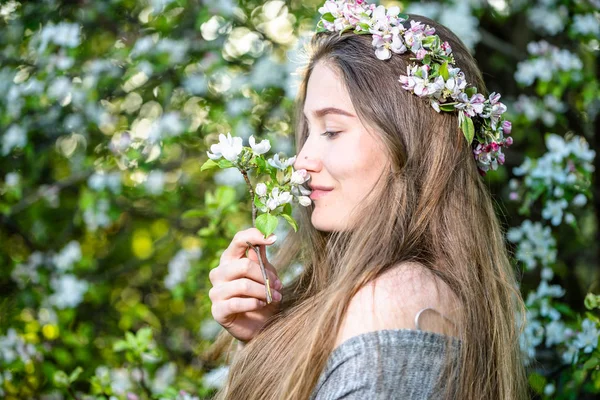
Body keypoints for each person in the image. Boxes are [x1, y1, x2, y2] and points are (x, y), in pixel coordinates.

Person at [205, 2, 528, 399]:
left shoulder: (392, 302)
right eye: (308, 131)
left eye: (333, 130)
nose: (302, 160)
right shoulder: (401, 295)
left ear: (413, 143)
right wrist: (266, 337)